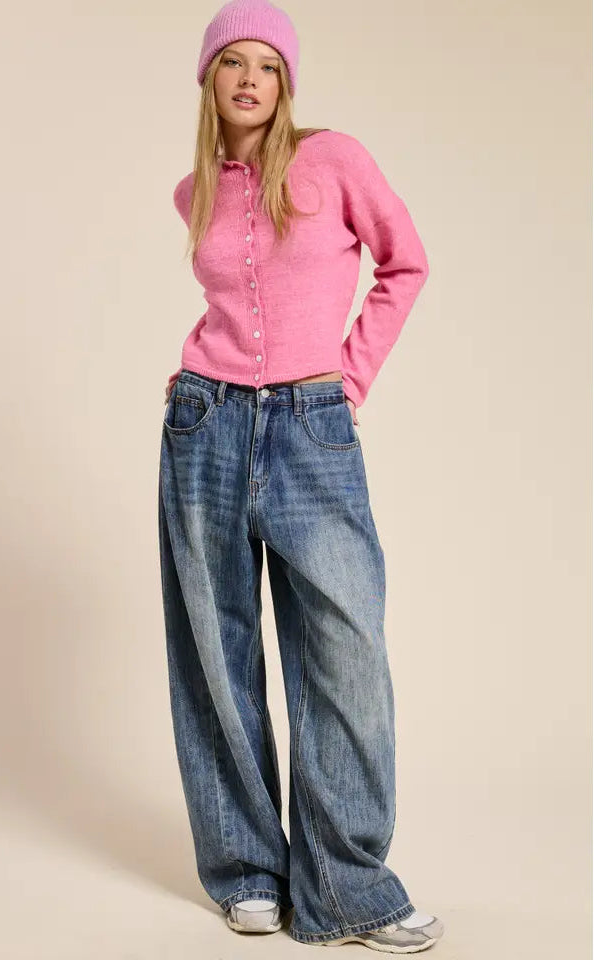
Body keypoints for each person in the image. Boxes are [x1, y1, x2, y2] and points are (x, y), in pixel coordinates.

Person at [158, 0, 443, 951]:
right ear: (210, 81)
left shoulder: (334, 161)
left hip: (312, 428)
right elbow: (228, 307)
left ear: (286, 83)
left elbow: (406, 264)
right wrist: (192, 387)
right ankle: (245, 867)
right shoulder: (191, 193)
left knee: (345, 651)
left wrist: (348, 377)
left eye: (266, 65)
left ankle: (347, 885)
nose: (249, 78)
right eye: (231, 62)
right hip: (205, 424)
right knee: (217, 653)